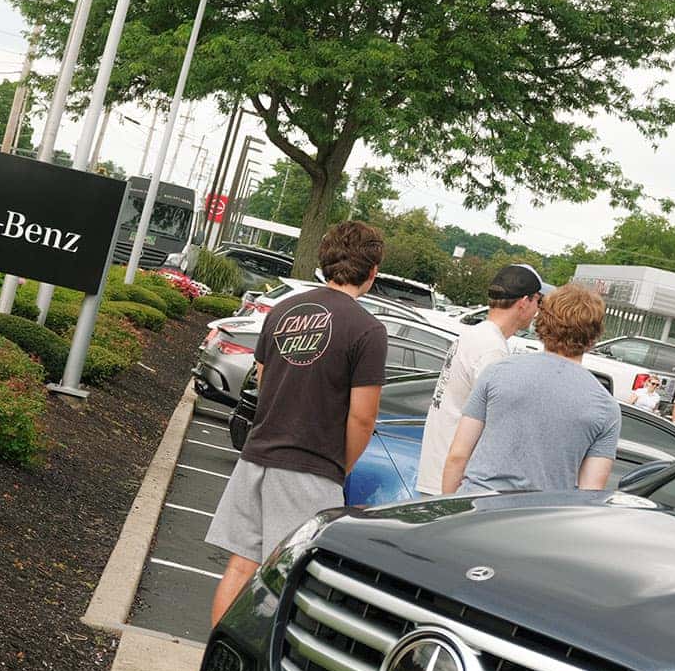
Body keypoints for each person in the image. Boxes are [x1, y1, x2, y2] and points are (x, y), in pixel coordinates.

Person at [206, 222, 388, 626]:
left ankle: (216, 653)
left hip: (258, 453)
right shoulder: (368, 330)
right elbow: (363, 416)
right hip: (311, 467)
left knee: (242, 565)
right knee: (292, 579)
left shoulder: (283, 310)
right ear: (372, 271)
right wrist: (341, 467)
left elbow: (263, 376)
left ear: (326, 260)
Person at [441, 284, 621, 494]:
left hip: (476, 504)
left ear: (542, 324)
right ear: (593, 338)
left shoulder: (497, 372)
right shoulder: (606, 408)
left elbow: (458, 456)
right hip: (539, 513)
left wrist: (448, 507)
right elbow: (590, 492)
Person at [415, 264, 547, 495]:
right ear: (524, 302)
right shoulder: (492, 350)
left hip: (437, 471)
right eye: (539, 300)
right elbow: (494, 425)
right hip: (452, 484)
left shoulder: (475, 335)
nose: (538, 310)